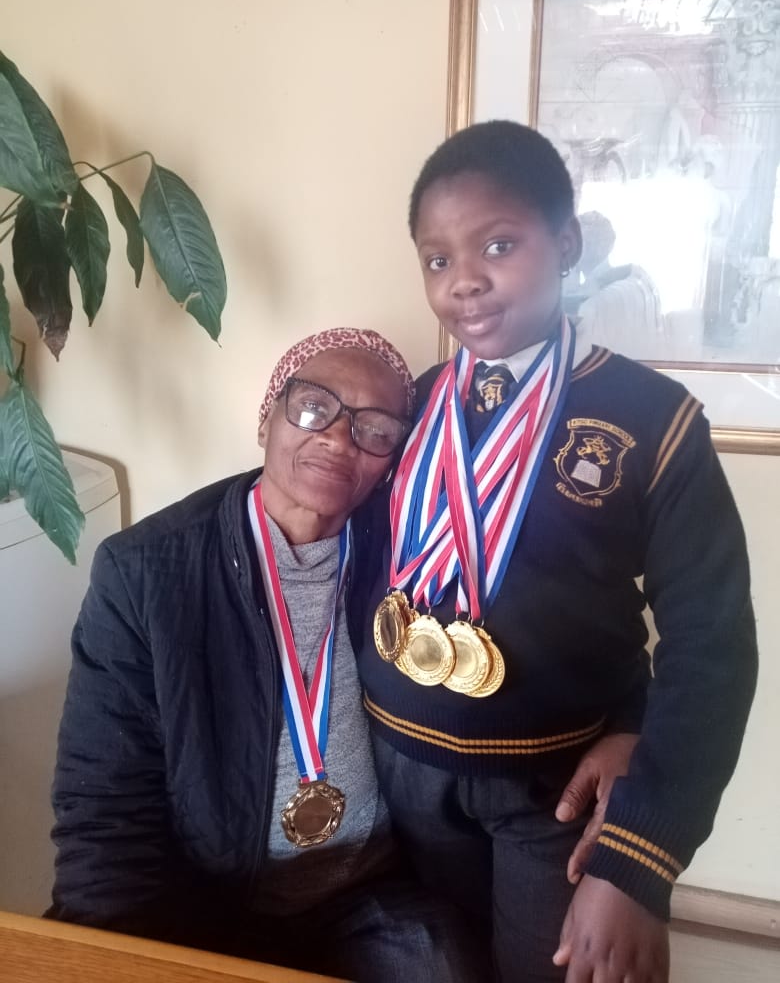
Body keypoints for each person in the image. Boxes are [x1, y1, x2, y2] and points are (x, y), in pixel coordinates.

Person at [356, 122, 758, 982]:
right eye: (437, 259)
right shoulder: (411, 408)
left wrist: (640, 854)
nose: (465, 280)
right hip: (398, 778)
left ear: (566, 243)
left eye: (498, 245)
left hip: (554, 794)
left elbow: (712, 643)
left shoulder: (652, 420)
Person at [49, 327, 476, 983]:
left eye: (375, 430)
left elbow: (542, 623)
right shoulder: (144, 573)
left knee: (441, 965)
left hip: (371, 892)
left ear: (394, 458)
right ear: (266, 417)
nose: (339, 439)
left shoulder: (416, 557)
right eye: (314, 407)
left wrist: (620, 729)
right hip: (210, 902)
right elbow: (103, 809)